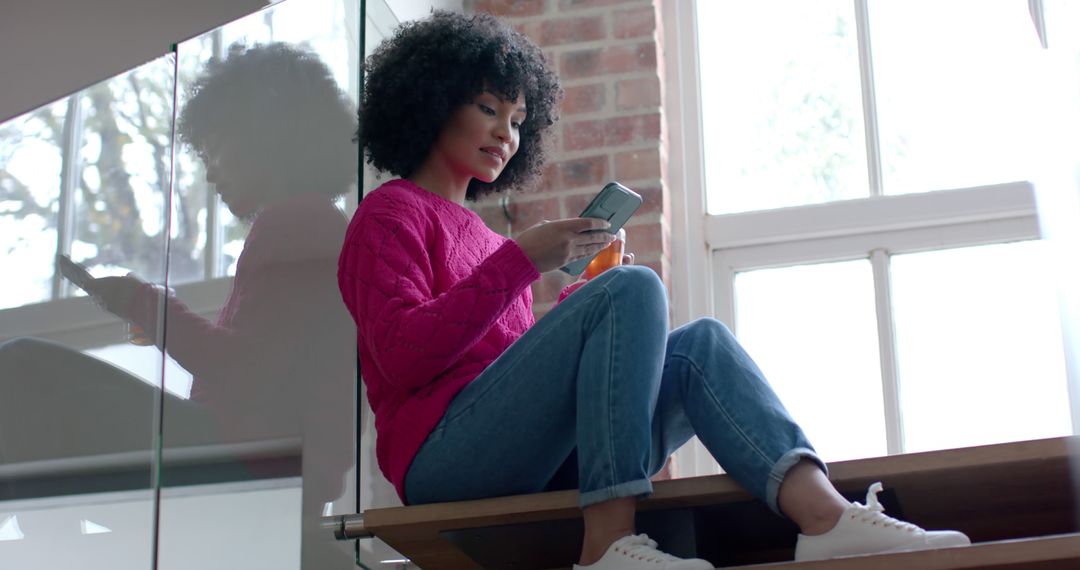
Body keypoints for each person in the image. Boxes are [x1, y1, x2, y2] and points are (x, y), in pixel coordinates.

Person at [338, 11, 971, 569]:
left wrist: (572, 305)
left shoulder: (480, 235)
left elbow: (494, 367)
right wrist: (524, 263)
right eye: (487, 109)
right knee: (630, 289)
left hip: (520, 459)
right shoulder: (388, 216)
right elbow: (402, 354)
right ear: (432, 99)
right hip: (441, 463)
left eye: (518, 119)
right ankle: (609, 545)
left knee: (700, 344)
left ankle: (826, 517)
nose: (507, 132)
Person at [1, 43, 357, 569]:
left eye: (218, 149)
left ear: (267, 139)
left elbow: (247, 372)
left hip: (254, 473)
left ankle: (48, 538)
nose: (211, 174)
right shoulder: (317, 227)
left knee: (21, 364)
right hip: (277, 472)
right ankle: (49, 537)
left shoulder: (294, 224)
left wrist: (147, 304)